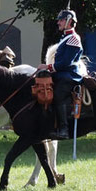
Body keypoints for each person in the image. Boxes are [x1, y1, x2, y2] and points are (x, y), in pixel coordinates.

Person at [38, 7, 83, 140]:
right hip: (60, 74)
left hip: (69, 75)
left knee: (58, 95)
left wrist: (48, 67)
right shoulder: (65, 37)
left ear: (69, 21)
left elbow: (66, 63)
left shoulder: (73, 38)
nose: (58, 23)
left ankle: (64, 129)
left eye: (61, 20)